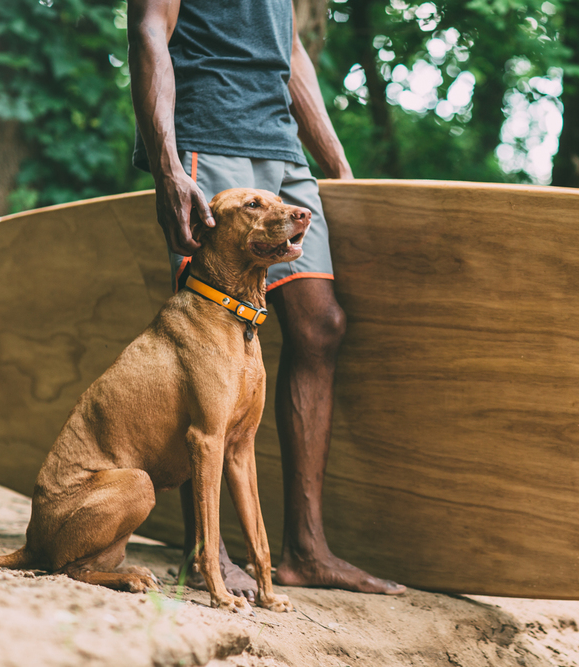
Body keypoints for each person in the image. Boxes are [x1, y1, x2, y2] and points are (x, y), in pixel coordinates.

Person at [127, 0, 405, 597]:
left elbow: (291, 52)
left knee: (319, 325)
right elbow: (151, 25)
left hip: (281, 147)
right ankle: (204, 549)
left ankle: (305, 549)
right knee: (206, 335)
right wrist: (167, 164)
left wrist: (338, 166)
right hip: (208, 135)